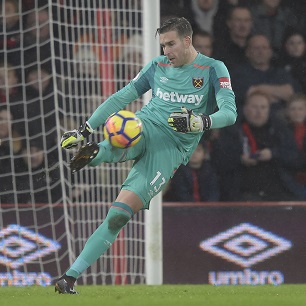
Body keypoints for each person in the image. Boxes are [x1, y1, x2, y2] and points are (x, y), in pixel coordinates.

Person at [55, 17, 237, 294]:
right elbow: (122, 96)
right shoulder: (157, 66)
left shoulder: (213, 69)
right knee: (127, 133)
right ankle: (97, 153)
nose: (166, 51)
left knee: (118, 216)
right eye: (163, 45)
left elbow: (230, 113)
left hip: (172, 148)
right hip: (146, 125)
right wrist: (85, 128)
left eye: (171, 44)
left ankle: (70, 276)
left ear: (187, 41)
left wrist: (201, 122)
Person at [212, 91, 300, 201]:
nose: (259, 112)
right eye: (254, 107)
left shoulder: (280, 130)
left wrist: (273, 154)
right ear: (245, 109)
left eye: (263, 107)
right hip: (242, 192)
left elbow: (296, 158)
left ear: (269, 110)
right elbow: (218, 160)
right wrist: (240, 159)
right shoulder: (231, 130)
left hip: (278, 190)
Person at [231, 34, 299, 117]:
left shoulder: (281, 73)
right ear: (247, 52)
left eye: (264, 48)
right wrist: (277, 93)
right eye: (256, 48)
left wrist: (259, 89)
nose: (261, 52)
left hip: (281, 120)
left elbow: (289, 93)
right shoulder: (239, 73)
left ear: (270, 52)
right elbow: (249, 95)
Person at [214, 5, 253, 72]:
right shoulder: (219, 49)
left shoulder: (256, 47)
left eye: (246, 20)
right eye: (238, 20)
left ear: (251, 23)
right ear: (229, 23)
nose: (243, 25)